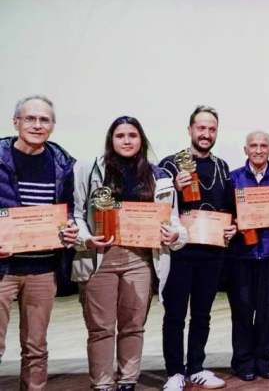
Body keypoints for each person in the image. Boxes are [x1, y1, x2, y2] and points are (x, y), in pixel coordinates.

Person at [71, 116, 186, 391]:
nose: (126, 140)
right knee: (100, 328)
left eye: (132, 135)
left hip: (141, 259)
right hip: (101, 257)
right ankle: (102, 384)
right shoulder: (88, 170)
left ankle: (127, 381)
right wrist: (86, 239)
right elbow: (76, 214)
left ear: (141, 140)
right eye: (120, 135)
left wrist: (175, 235)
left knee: (133, 325)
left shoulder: (159, 176)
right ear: (111, 140)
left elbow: (173, 220)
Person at [0, 95, 78, 391]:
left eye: (44, 119)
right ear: (15, 122)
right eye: (30, 118)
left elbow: (68, 209)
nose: (37, 125)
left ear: (53, 125)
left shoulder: (63, 164)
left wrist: (70, 228)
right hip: (3, 269)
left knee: (36, 348)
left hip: (44, 269)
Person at [159, 105, 236, 391]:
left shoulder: (222, 166)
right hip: (179, 252)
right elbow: (156, 206)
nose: (206, 134)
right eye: (201, 128)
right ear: (190, 130)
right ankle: (174, 372)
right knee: (175, 314)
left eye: (212, 129)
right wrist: (174, 189)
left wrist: (233, 226)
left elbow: (228, 207)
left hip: (212, 251)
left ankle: (196, 368)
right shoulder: (170, 164)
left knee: (202, 313)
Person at [226, 131, 269, 381]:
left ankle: (263, 360)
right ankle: (243, 362)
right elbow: (226, 214)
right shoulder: (233, 178)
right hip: (241, 254)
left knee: (267, 311)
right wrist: (233, 223)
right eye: (253, 145)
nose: (259, 150)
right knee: (241, 310)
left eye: (264, 146)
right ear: (245, 150)